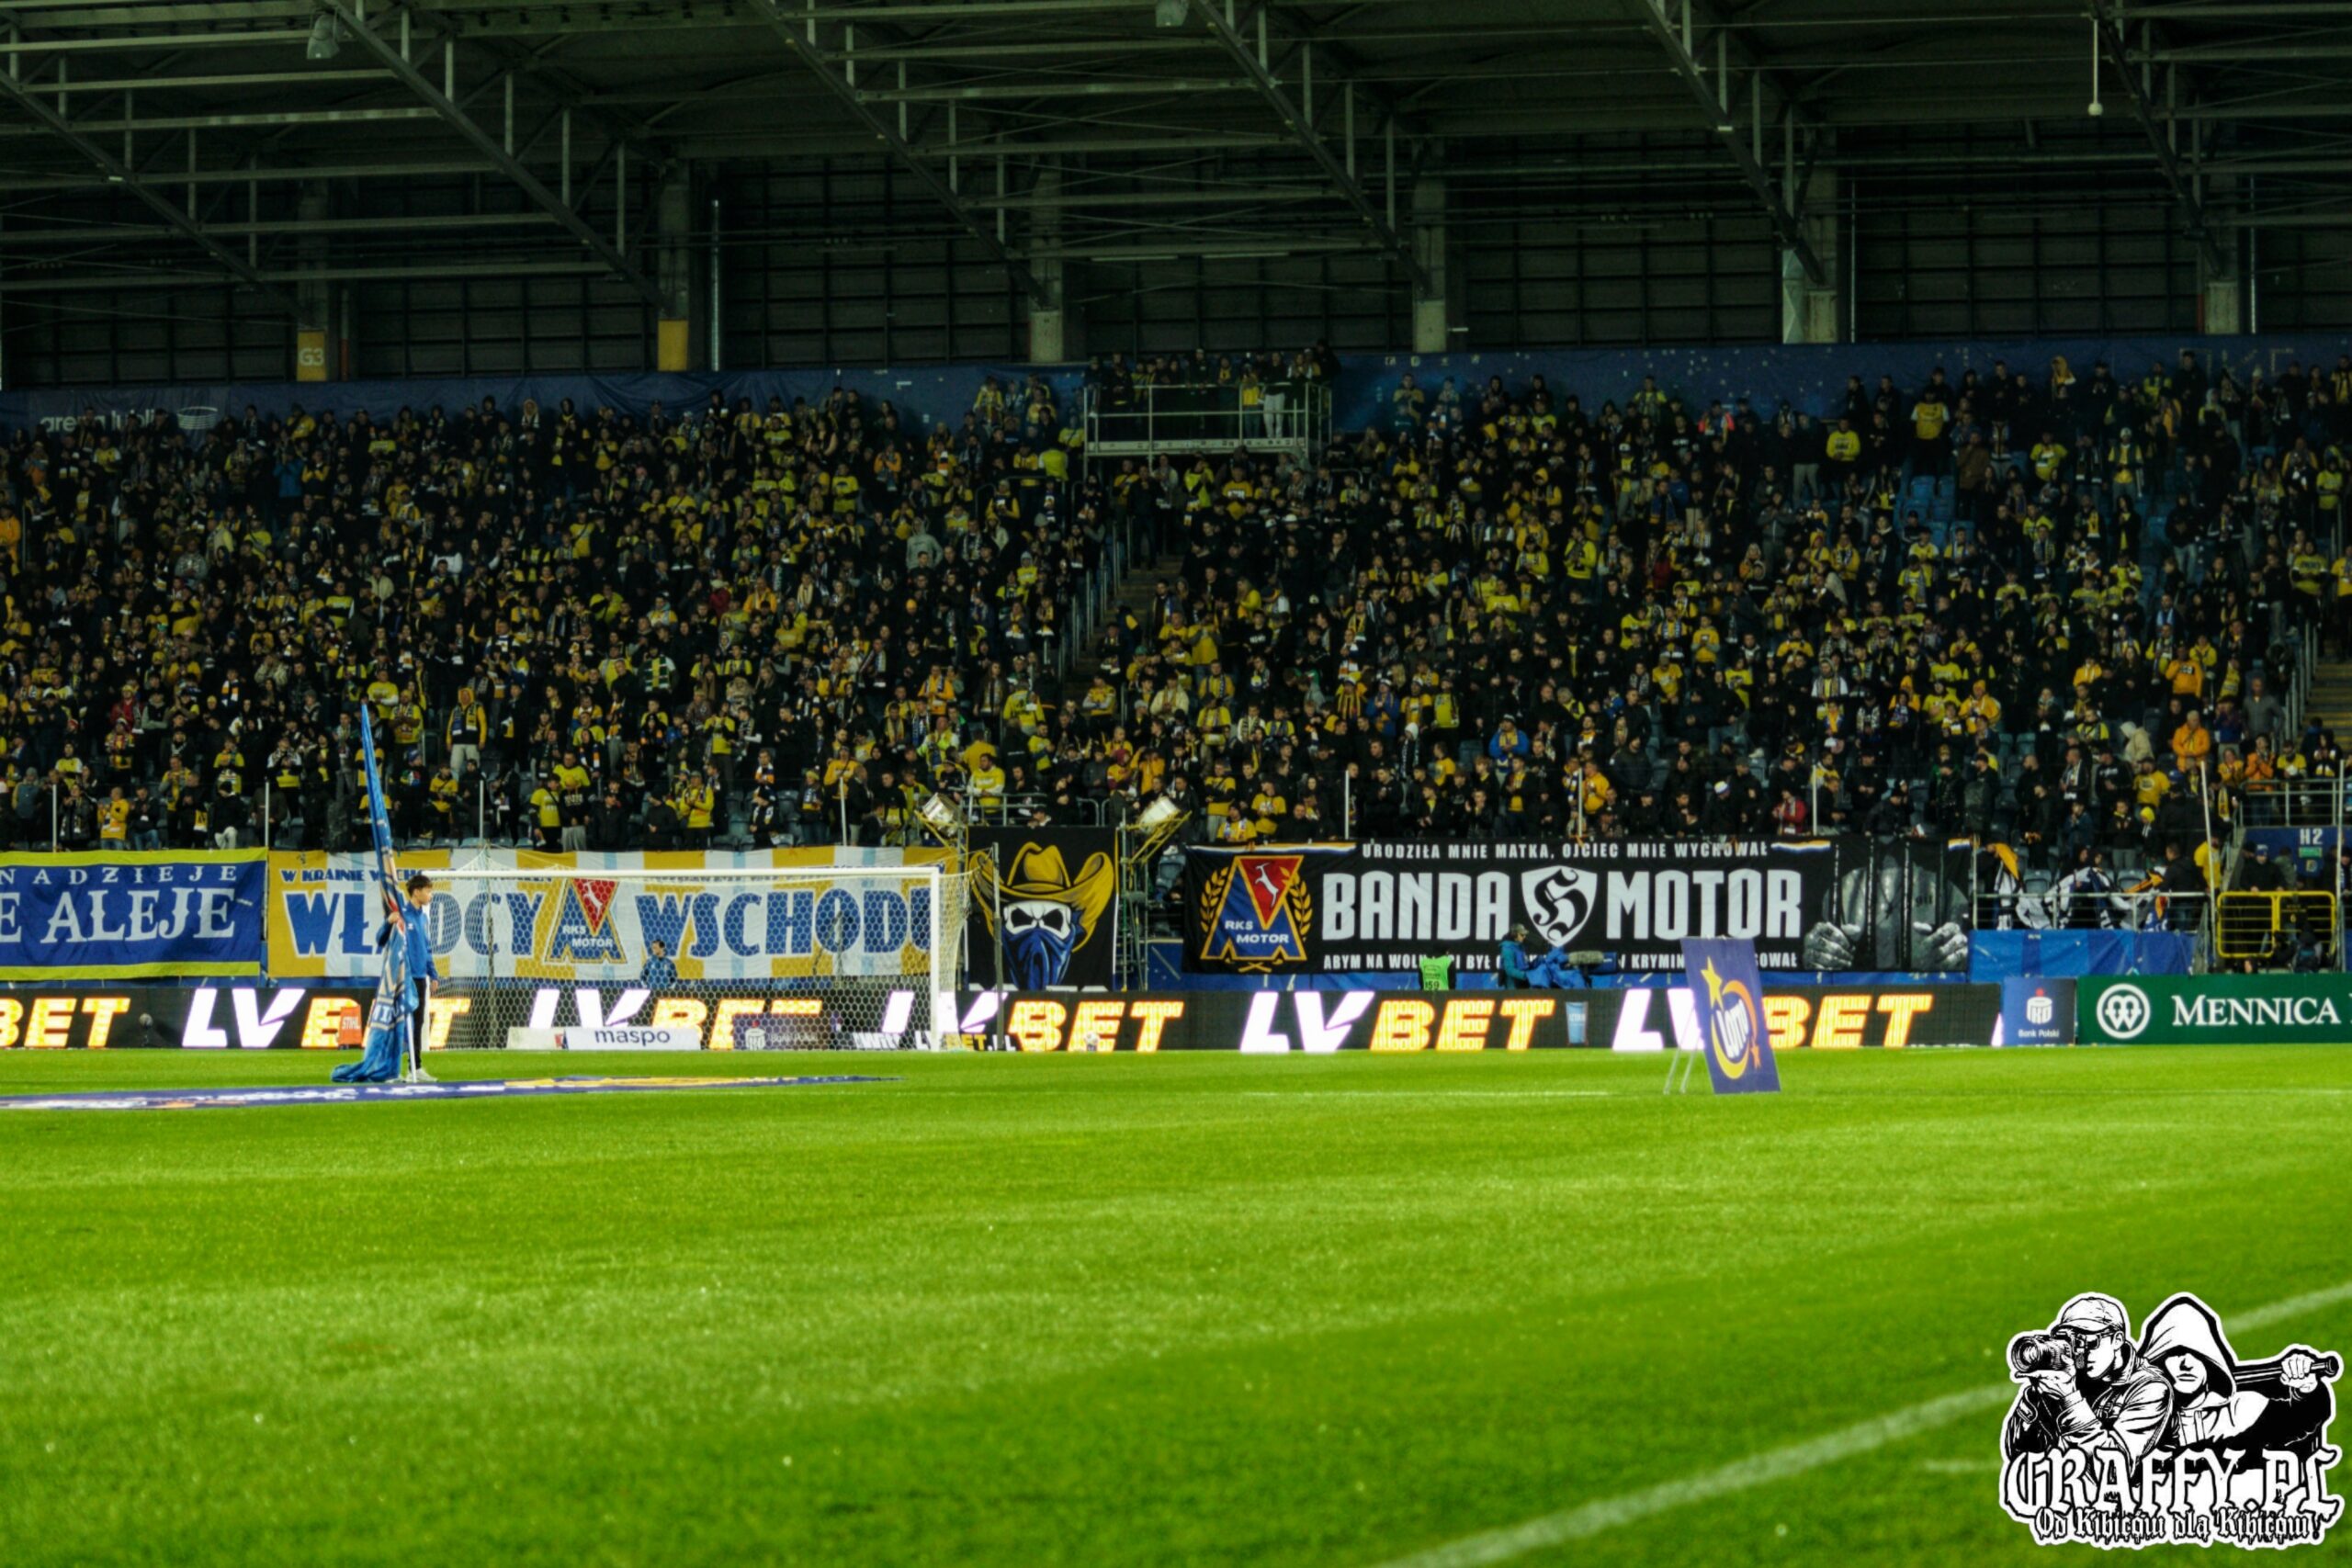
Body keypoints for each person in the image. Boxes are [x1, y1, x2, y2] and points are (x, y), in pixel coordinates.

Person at [2002, 1293, 2173, 1463]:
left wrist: (2070, 1400)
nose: (2081, 1353)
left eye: (2090, 1343)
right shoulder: (2065, 1380)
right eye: (2072, 1344)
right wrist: (2035, 1399)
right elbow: (2019, 1457)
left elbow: (2113, 1466)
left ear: (2117, 1340)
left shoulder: (2151, 1388)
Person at [331, 872, 440, 1084]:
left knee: (417, 1025)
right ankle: (392, 1070)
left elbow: (426, 949)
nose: (431, 895)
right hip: (402, 978)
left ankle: (415, 1068)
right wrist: (389, 923)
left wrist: (433, 974)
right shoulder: (400, 915)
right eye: (428, 891)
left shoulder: (424, 918)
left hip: (419, 979)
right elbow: (380, 939)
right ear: (416, 892)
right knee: (398, 1024)